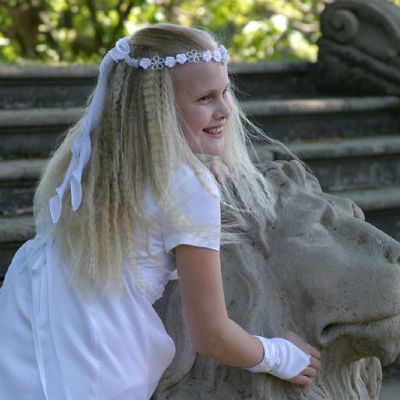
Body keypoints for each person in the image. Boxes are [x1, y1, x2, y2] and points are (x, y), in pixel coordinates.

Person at [0, 23, 320, 400]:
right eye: (205, 98)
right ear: (157, 110)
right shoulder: (188, 187)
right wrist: (282, 357)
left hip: (20, 332)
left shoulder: (88, 161)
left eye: (225, 92)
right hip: (93, 366)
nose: (225, 110)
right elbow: (211, 334)